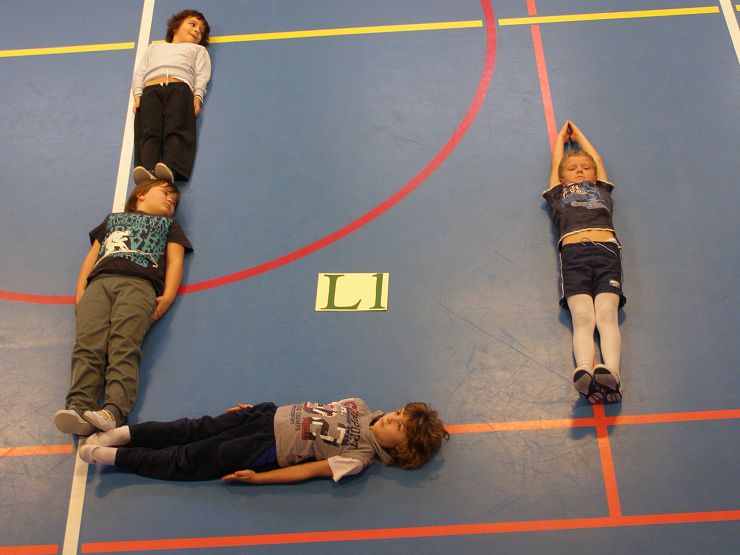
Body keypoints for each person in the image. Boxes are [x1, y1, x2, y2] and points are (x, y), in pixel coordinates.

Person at [54, 179, 193, 436]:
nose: (170, 200)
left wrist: (168, 295)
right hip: (99, 284)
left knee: (123, 346)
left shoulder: (169, 225)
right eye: (165, 193)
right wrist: (81, 288)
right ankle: (78, 407)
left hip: (139, 286)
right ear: (141, 194)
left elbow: (175, 261)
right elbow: (92, 256)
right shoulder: (113, 220)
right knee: (87, 345)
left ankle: (114, 411)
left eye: (174, 201)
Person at [78, 399, 449, 484]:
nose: (393, 418)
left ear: (401, 448)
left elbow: (308, 471)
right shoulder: (361, 406)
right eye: (399, 413)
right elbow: (315, 409)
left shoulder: (360, 457)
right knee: (193, 427)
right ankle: (124, 433)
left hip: (264, 449)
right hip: (264, 415)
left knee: (188, 459)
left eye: (400, 426)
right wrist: (255, 409)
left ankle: (111, 457)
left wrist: (259, 478)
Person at [543, 120, 625, 404]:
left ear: (594, 174)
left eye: (585, 168)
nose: (580, 170)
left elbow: (597, 160)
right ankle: (585, 371)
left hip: (606, 253)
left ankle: (612, 373)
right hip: (574, 257)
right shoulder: (558, 193)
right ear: (561, 177)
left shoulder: (601, 189)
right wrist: (559, 141)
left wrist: (579, 136)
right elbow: (556, 163)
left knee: (606, 315)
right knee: (582, 317)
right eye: (572, 168)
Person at [132, 10, 211, 184]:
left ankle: (172, 167)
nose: (197, 30)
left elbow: (202, 75)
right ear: (175, 27)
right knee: (148, 130)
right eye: (192, 24)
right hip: (150, 91)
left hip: (180, 88)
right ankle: (147, 168)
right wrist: (138, 94)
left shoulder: (198, 50)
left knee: (177, 128)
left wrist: (197, 97)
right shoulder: (154, 48)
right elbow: (140, 72)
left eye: (201, 31)